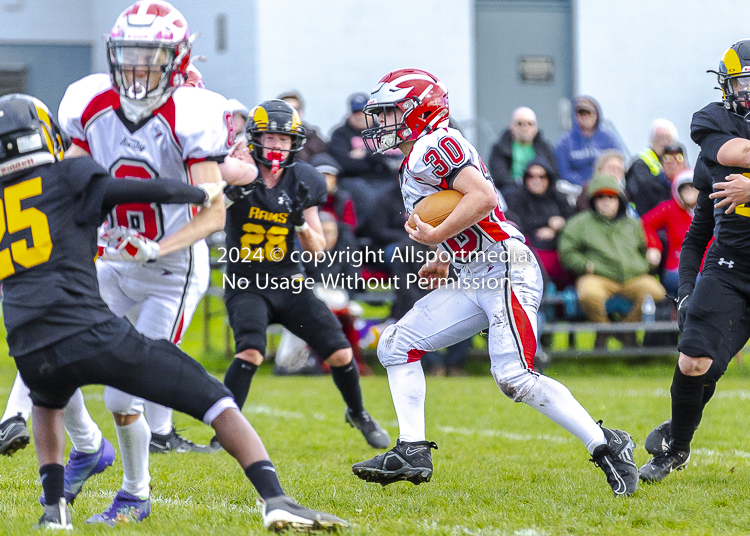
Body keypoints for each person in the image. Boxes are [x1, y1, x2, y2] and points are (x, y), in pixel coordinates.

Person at [0, 93, 346, 532]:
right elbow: (139, 190)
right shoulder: (69, 173)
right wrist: (200, 191)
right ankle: (276, 498)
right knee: (215, 399)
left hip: (28, 343)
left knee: (48, 400)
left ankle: (54, 511)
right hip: (89, 329)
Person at [350, 68, 638, 497]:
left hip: (504, 266)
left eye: (392, 112)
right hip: (474, 272)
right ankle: (412, 449)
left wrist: (438, 236)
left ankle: (607, 446)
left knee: (514, 377)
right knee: (396, 343)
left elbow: (483, 198)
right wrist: (442, 254)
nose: (384, 123)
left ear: (419, 110)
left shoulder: (434, 142)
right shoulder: (419, 155)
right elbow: (469, 210)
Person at [56, 0, 251, 523]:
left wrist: (158, 248)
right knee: (56, 356)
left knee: (123, 392)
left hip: (170, 272)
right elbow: (66, 182)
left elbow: (212, 215)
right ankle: (85, 447)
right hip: (113, 261)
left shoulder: (192, 113)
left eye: (151, 53)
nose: (139, 65)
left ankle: (136, 493)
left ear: (177, 58)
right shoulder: (91, 103)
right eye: (131, 52)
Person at [220, 99, 390, 450]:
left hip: (288, 281)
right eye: (271, 138)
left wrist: (298, 221)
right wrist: (225, 197)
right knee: (250, 351)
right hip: (247, 282)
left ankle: (358, 412)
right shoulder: (238, 169)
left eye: (284, 139)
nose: (277, 145)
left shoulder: (304, 179)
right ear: (255, 138)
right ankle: (224, 430)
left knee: (340, 354)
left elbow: (316, 248)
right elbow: (205, 206)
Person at [639, 39, 750, 482]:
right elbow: (698, 232)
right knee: (694, 362)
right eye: (744, 81)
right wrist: (685, 289)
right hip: (732, 266)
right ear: (726, 85)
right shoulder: (712, 122)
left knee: (708, 369)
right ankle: (677, 448)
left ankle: (676, 429)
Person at [558, 174, 666, 347]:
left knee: (657, 292)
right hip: (598, 276)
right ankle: (603, 331)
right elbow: (567, 253)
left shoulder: (632, 224)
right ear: (593, 200)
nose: (606, 201)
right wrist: (585, 265)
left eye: (611, 196)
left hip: (634, 276)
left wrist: (647, 261)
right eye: (600, 197)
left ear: (619, 199)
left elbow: (644, 247)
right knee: (588, 293)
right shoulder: (578, 224)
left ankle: (626, 331)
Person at [328, 92, 401, 235]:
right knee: (367, 197)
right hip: (354, 179)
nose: (360, 115)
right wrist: (375, 159)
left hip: (384, 178)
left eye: (364, 112)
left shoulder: (384, 129)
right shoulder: (340, 134)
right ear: (350, 113)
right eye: (356, 112)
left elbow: (392, 159)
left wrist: (365, 155)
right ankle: (363, 233)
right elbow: (344, 164)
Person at [504, 157, 575, 289]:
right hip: (532, 253)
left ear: (549, 178)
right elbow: (518, 222)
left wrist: (557, 228)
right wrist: (549, 221)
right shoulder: (517, 198)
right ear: (525, 178)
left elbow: (573, 222)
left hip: (559, 250)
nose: (536, 181)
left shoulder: (559, 197)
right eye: (531, 176)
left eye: (542, 176)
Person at [641, 169, 697, 298]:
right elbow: (644, 223)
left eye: (692, 186)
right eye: (684, 187)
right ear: (677, 191)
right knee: (699, 283)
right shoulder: (670, 209)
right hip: (677, 268)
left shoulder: (710, 210)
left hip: (707, 269)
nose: (688, 190)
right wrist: (654, 246)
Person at [488, 106, 558, 196]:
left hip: (541, 192)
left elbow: (553, 173)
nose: (525, 128)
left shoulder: (545, 147)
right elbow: (499, 177)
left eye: (530, 124)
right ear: (511, 126)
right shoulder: (499, 147)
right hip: (511, 192)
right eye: (520, 124)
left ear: (536, 127)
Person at [555, 96, 623, 187]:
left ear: (596, 115)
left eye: (588, 113)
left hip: (604, 185)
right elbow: (563, 171)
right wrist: (583, 183)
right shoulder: (565, 141)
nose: (585, 117)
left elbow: (618, 164)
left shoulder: (609, 139)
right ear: (576, 116)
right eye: (581, 113)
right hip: (575, 188)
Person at [625, 119, 677, 216]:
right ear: (652, 141)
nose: (664, 143)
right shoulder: (641, 162)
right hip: (646, 216)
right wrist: (664, 178)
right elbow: (646, 191)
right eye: (660, 138)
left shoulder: (677, 159)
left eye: (668, 139)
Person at [310, 152, 357, 233]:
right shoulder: (306, 199)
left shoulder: (344, 199)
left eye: (329, 175)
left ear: (335, 178)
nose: (326, 179)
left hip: (338, 239)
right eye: (322, 175)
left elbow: (350, 227)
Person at [278, 90, 328, 163]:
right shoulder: (269, 137)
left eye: (294, 109)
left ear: (301, 113)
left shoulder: (313, 138)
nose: (291, 113)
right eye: (286, 110)